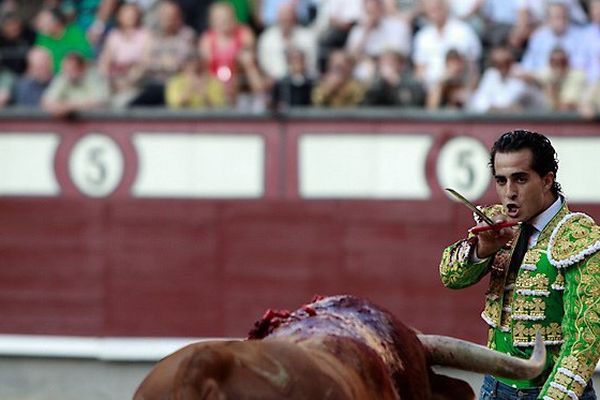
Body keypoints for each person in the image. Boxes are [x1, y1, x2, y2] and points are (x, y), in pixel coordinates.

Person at [439, 129, 600, 400]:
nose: (509, 192)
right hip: (494, 389)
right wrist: (482, 249)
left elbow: (583, 342)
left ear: (547, 180)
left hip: (553, 391)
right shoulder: (497, 224)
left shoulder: (579, 238)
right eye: (501, 181)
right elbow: (450, 276)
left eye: (520, 179)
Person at [41, 51, 110, 117]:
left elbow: (100, 101)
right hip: (68, 126)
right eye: (66, 69)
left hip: (96, 124)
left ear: (82, 68)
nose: (68, 73)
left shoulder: (94, 76)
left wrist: (69, 107)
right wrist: (63, 108)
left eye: (72, 69)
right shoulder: (63, 77)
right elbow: (46, 102)